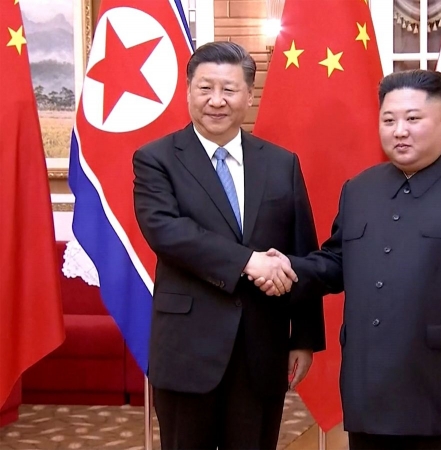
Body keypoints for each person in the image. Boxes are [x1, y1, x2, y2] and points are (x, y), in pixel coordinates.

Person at [257, 69, 441, 450]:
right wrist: (285, 267)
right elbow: (336, 262)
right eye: (389, 120)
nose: (399, 130)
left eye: (413, 119)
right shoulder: (360, 189)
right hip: (371, 389)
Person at [132, 41, 325, 450]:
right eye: (205, 88)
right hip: (187, 349)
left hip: (262, 348)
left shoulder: (281, 162)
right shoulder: (156, 159)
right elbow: (166, 232)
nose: (216, 101)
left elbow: (302, 250)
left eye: (229, 89)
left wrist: (304, 337)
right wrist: (247, 262)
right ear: (188, 91)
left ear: (248, 95)